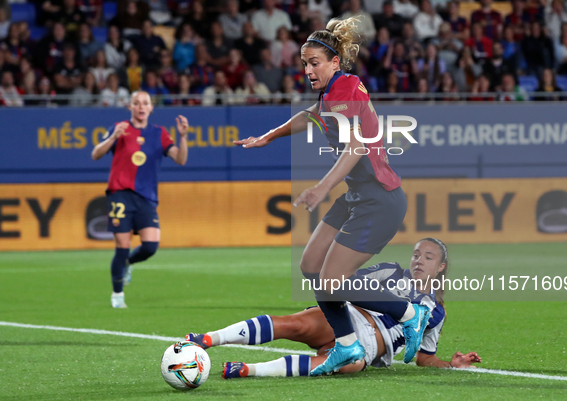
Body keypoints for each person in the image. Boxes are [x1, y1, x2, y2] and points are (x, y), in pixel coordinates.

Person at [233, 17, 431, 377]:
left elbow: (356, 145)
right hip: (359, 195)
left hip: (380, 199)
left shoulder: (346, 90)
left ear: (335, 62)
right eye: (305, 64)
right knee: (311, 266)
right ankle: (347, 344)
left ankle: (408, 313)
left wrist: (321, 188)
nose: (308, 70)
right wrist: (268, 136)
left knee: (331, 281)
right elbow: (308, 116)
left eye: (314, 63)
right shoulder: (331, 92)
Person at [186, 238, 482, 378]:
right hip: (348, 318)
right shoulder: (390, 271)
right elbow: (344, 281)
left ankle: (246, 370)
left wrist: (450, 365)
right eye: (416, 254)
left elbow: (425, 359)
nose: (418, 260)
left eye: (428, 257)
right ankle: (209, 338)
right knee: (296, 325)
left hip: (370, 349)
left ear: (441, 267)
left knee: (346, 366)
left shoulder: (437, 312)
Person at [91, 91, 188, 308]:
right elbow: (95, 154)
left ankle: (127, 264)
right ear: (130, 107)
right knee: (122, 246)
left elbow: (180, 159)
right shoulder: (120, 128)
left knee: (151, 246)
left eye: (145, 103)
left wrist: (183, 136)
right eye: (137, 103)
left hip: (146, 198)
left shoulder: (159, 133)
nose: (141, 106)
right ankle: (117, 296)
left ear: (151, 108)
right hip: (120, 194)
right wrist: (113, 136)